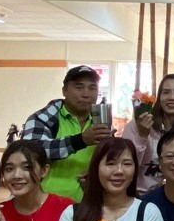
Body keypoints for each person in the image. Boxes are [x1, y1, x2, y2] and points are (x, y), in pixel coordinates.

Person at [20, 65, 113, 202]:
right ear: (64, 90)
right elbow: (30, 152)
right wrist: (80, 140)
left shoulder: (101, 121)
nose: (86, 94)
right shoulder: (43, 118)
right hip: (44, 205)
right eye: (79, 87)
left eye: (92, 88)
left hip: (89, 205)